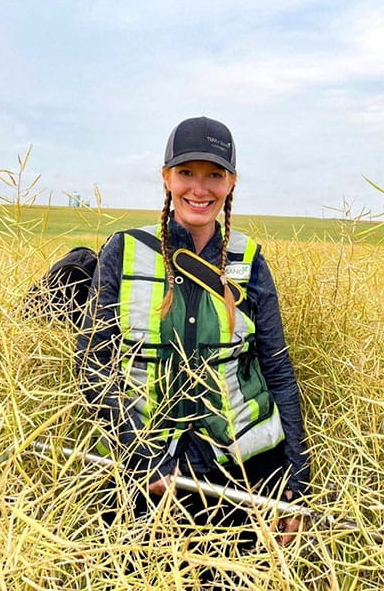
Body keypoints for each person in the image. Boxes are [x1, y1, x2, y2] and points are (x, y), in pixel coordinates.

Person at [76, 116, 309, 549]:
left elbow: (276, 367)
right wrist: (138, 454)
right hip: (142, 477)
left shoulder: (250, 260)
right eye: (186, 173)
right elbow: (93, 363)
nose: (199, 190)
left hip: (244, 474)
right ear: (166, 177)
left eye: (214, 176)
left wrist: (296, 479)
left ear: (231, 183)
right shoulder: (122, 252)